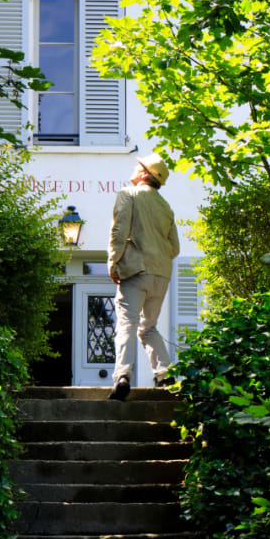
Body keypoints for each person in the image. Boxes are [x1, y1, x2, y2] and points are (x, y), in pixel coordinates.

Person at [106, 153, 180, 401]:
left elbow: (119, 230)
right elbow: (175, 248)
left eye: (138, 166)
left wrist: (113, 261)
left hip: (136, 271)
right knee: (147, 327)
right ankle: (165, 376)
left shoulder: (129, 194)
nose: (134, 168)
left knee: (127, 322)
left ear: (145, 174)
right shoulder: (166, 207)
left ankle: (122, 376)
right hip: (161, 275)